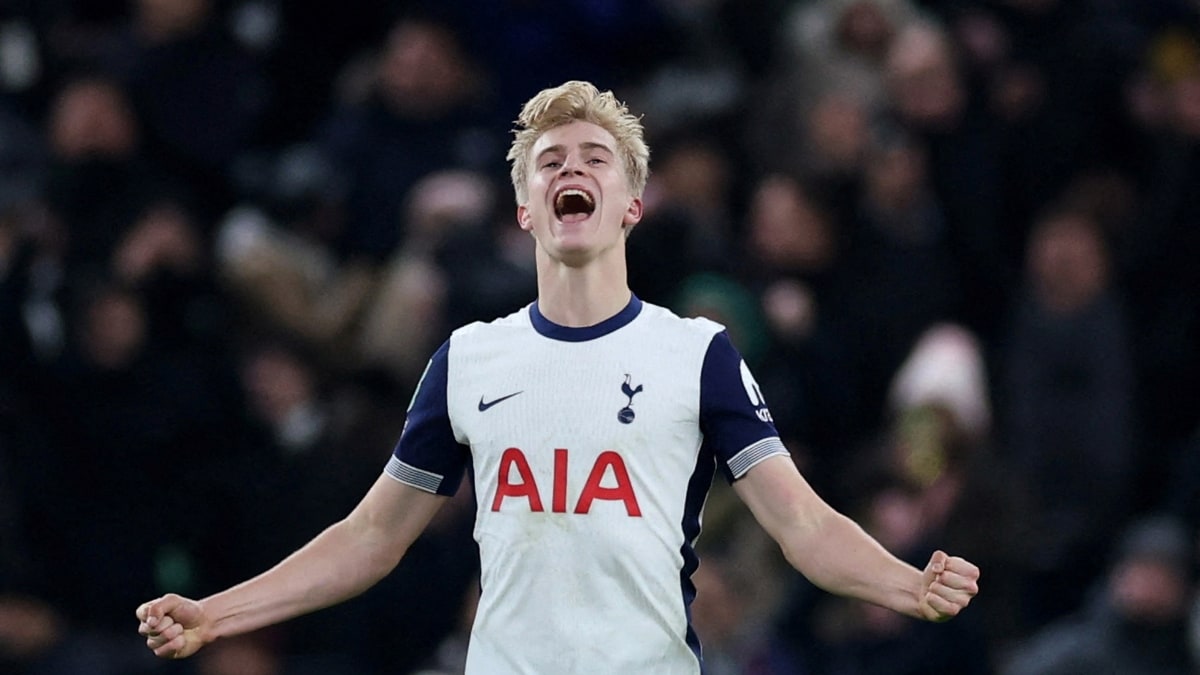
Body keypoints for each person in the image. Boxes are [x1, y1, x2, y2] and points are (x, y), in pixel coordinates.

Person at [136, 80, 980, 674]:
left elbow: (802, 524)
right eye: (550, 162)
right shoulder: (468, 359)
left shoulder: (696, 354)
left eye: (595, 159)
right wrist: (218, 612)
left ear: (631, 205)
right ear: (526, 209)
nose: (571, 169)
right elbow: (369, 537)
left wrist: (905, 582)